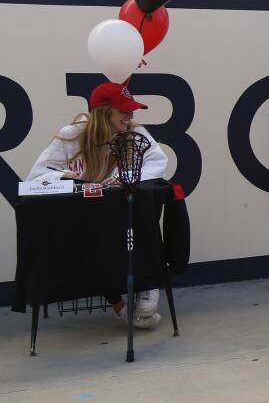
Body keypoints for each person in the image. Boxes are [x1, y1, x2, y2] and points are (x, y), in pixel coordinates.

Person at [27, 82, 169, 329]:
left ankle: (147, 286)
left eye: (131, 109)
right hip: (86, 222)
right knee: (84, 239)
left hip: (123, 218)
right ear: (104, 112)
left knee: (143, 206)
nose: (130, 115)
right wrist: (67, 178)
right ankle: (120, 306)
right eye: (123, 110)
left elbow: (158, 162)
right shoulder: (73, 134)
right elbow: (36, 177)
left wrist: (127, 178)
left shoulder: (135, 134)